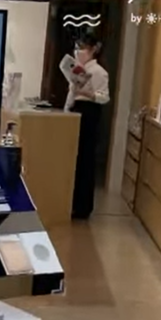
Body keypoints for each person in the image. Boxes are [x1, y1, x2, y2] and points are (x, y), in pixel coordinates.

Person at [60, 33, 110, 220]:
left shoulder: (99, 72)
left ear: (92, 50)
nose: (78, 52)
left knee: (85, 159)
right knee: (75, 158)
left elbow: (104, 97)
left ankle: (83, 207)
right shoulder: (78, 69)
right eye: (76, 48)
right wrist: (67, 109)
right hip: (77, 110)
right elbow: (71, 93)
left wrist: (88, 94)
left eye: (81, 48)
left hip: (89, 112)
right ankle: (73, 203)